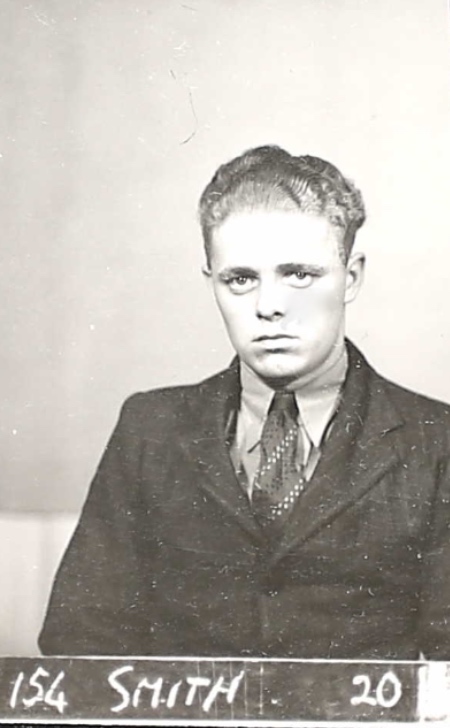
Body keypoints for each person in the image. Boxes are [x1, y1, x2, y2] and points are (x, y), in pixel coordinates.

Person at [39, 145, 450, 659]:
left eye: (299, 274)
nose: (269, 306)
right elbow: (80, 639)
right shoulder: (150, 430)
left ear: (351, 277)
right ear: (211, 281)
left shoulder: (436, 443)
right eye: (240, 279)